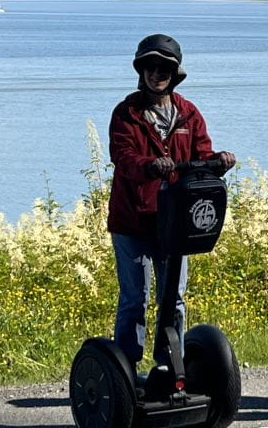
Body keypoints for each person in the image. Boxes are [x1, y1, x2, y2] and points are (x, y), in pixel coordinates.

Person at [108, 33, 235, 366]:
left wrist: (218, 162)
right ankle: (127, 368)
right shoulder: (126, 114)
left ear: (173, 74)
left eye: (163, 68)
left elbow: (201, 157)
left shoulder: (188, 114)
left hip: (175, 223)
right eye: (150, 67)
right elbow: (123, 157)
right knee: (135, 298)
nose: (156, 74)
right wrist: (150, 165)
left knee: (174, 298)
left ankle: (170, 363)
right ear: (141, 71)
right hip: (133, 221)